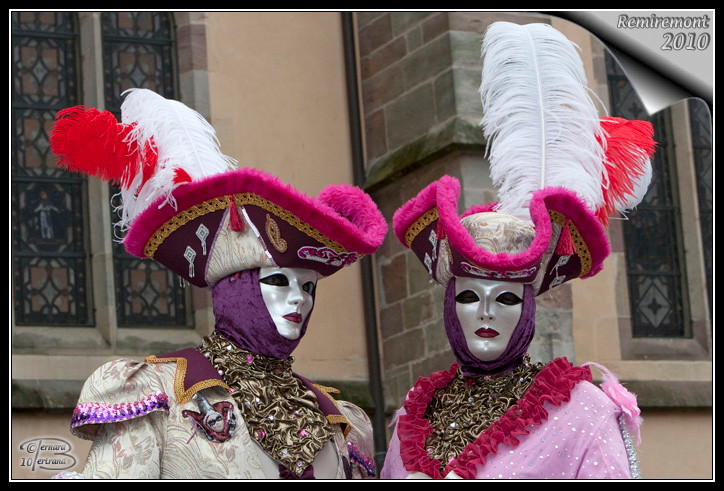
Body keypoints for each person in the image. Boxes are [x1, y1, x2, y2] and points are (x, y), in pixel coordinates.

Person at [49, 88, 386, 479]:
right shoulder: (159, 393)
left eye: (308, 287)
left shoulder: (341, 421)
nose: (299, 299)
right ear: (235, 289)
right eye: (279, 281)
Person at [380, 22, 656, 480]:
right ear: (450, 304)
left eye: (506, 297)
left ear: (528, 305)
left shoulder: (582, 411)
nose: (486, 311)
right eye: (469, 296)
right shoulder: (418, 412)